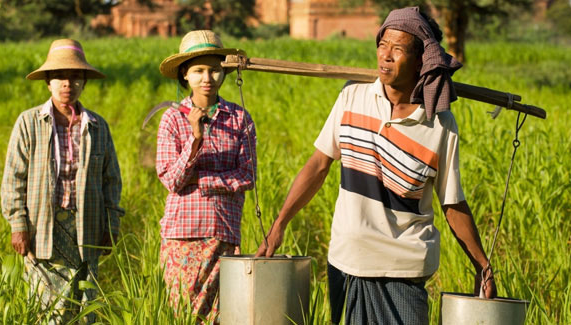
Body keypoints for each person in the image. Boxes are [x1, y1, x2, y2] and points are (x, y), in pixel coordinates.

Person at [256, 7, 497, 324]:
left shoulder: (440, 124)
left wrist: (482, 265)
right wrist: (278, 226)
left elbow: (452, 202)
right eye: (382, 45)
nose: (386, 56)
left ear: (420, 59)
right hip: (348, 260)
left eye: (398, 49)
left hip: (404, 267)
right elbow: (318, 165)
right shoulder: (353, 96)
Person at [0, 39, 124, 323]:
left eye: (76, 76)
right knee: (48, 311)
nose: (68, 83)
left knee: (85, 310)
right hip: (43, 228)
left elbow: (111, 180)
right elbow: (14, 178)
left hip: (86, 227)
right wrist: (18, 225)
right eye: (60, 76)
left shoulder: (97, 126)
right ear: (48, 81)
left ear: (84, 82)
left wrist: (111, 223)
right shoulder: (29, 122)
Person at [155, 30, 256, 323]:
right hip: (181, 236)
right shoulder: (173, 119)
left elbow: (247, 175)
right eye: (198, 70)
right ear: (185, 74)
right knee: (184, 315)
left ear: (223, 72)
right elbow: (172, 180)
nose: (207, 78)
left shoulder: (239, 118)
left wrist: (206, 182)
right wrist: (195, 139)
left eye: (214, 69)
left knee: (221, 314)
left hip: (223, 232)